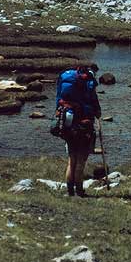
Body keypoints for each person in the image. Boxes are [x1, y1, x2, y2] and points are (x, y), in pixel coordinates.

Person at [54, 66, 102, 197]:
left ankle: (70, 192)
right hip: (84, 125)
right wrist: (97, 113)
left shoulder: (66, 80)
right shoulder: (89, 83)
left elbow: (58, 100)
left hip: (68, 124)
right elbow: (94, 102)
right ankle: (80, 191)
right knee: (81, 160)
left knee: (72, 160)